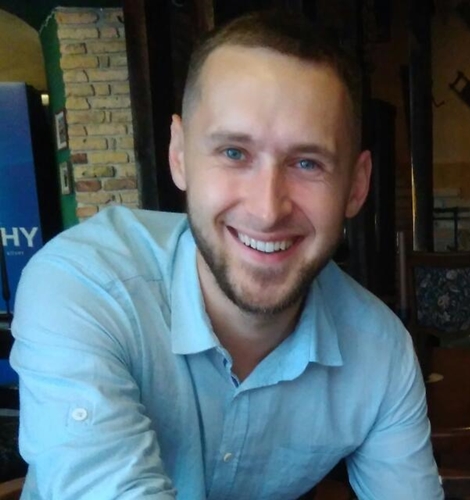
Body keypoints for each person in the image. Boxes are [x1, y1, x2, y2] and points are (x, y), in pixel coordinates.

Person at [11, 9, 443, 500]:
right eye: (234, 153)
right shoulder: (83, 286)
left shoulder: (380, 352)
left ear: (357, 186)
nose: (267, 210)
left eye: (307, 163)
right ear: (179, 155)